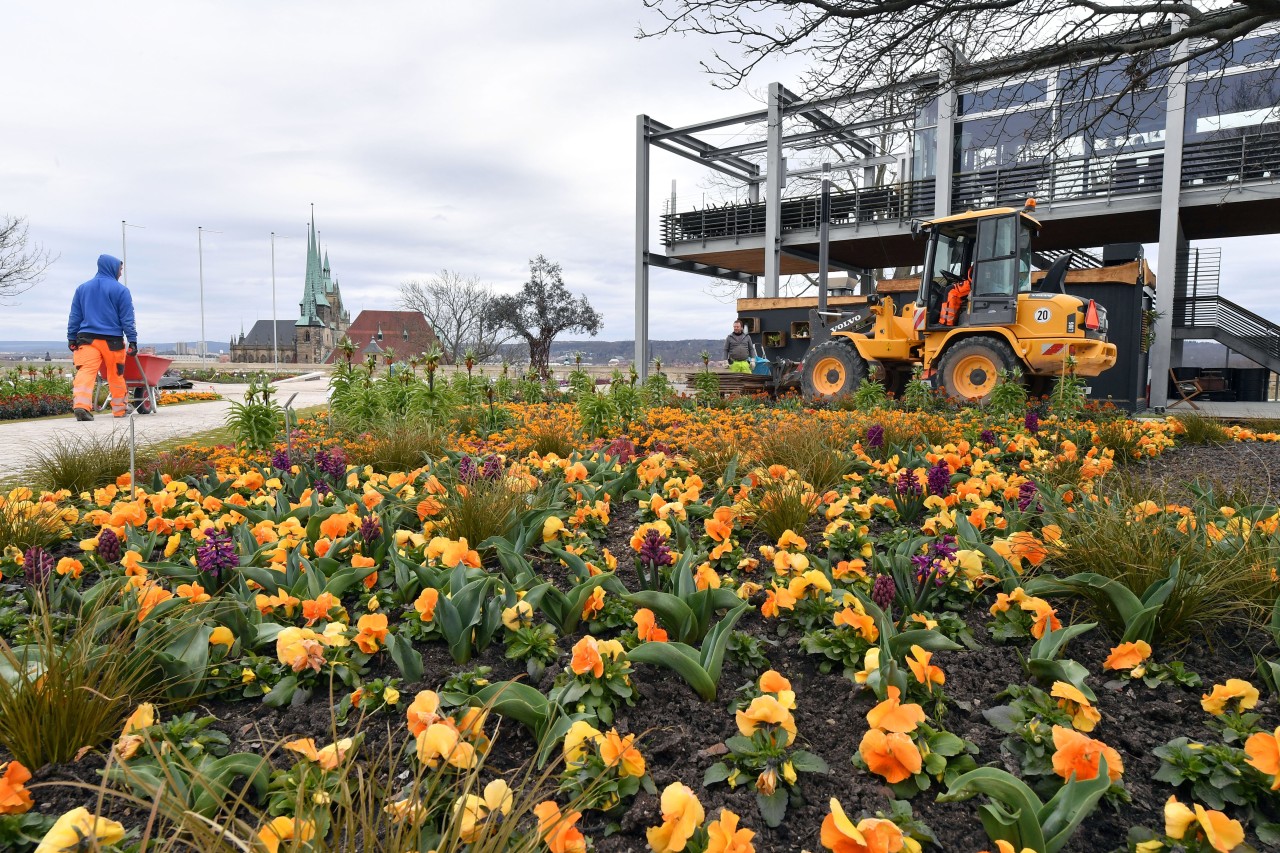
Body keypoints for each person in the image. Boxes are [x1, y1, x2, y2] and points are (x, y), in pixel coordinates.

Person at [67, 254, 136, 420]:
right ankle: (120, 410)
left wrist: (71, 337)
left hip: (86, 339)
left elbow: (75, 315)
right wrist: (132, 340)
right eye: (120, 269)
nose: (120, 273)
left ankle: (81, 407)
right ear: (112, 268)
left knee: (86, 372)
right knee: (115, 375)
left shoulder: (82, 288)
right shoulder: (121, 290)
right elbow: (127, 318)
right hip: (112, 340)